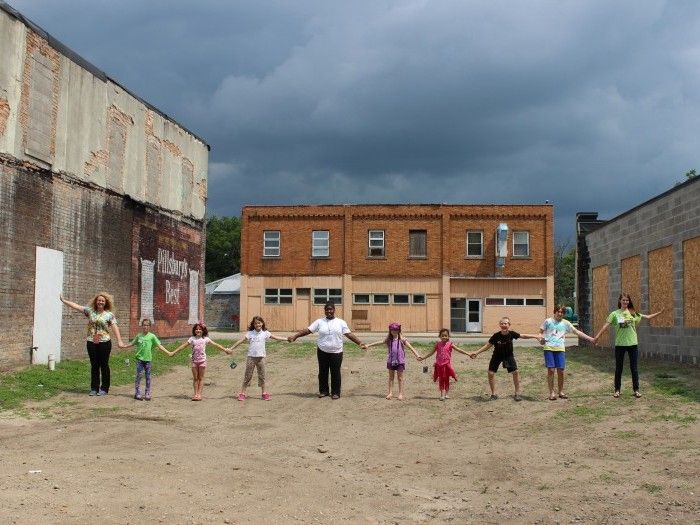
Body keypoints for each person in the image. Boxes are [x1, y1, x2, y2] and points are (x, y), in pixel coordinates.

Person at [288, 302, 366, 400]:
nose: (329, 311)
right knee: (323, 371)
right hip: (322, 351)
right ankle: (324, 391)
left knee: (335, 372)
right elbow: (308, 330)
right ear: (324, 311)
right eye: (327, 309)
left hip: (337, 352)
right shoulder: (319, 322)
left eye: (331, 309)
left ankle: (335, 392)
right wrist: (295, 336)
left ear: (334, 310)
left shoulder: (341, 322)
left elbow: (349, 334)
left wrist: (359, 342)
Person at [593, 293, 663, 398]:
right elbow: (605, 326)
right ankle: (617, 390)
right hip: (620, 345)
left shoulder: (633, 313)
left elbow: (647, 317)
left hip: (632, 344)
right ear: (620, 301)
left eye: (627, 300)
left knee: (634, 368)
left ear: (629, 302)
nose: (625, 302)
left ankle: (636, 390)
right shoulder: (614, 314)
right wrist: (597, 337)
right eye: (623, 300)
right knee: (619, 368)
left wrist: (660, 312)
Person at [60, 292, 125, 396]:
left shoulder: (109, 315)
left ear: (105, 303)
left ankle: (104, 388)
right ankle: (94, 388)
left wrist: (119, 340)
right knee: (94, 365)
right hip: (91, 341)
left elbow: (115, 327)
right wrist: (64, 301)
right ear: (96, 301)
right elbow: (76, 306)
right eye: (99, 300)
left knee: (104, 365)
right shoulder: (90, 311)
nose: (100, 302)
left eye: (102, 301)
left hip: (105, 342)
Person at [468, 316, 543, 401]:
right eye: (502, 323)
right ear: (500, 325)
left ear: (509, 325)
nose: (504, 325)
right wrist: (476, 352)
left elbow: (523, 335)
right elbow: (487, 346)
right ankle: (493, 394)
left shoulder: (511, 334)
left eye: (506, 323)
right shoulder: (496, 336)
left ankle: (517, 394)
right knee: (491, 373)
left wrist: (536, 336)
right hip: (497, 356)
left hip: (508, 356)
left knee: (515, 372)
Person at [540, 305, 596, 400]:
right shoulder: (548, 321)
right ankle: (551, 393)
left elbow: (577, 332)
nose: (560, 313)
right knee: (551, 370)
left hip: (560, 349)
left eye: (562, 312)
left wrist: (591, 339)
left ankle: (561, 392)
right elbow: (540, 331)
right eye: (558, 311)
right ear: (555, 312)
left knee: (561, 371)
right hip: (549, 348)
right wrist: (540, 338)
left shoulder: (566, 323)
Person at [229, 316, 287, 401]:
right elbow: (241, 341)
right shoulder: (250, 333)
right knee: (247, 376)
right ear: (253, 324)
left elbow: (276, 337)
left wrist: (287, 339)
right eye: (256, 323)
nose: (257, 324)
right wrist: (231, 348)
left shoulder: (265, 333)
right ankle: (242, 393)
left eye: (259, 323)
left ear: (262, 323)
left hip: (261, 358)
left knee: (262, 376)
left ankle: (264, 393)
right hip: (251, 358)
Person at [170, 322, 231, 401]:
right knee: (195, 378)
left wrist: (225, 350)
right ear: (194, 330)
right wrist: (174, 352)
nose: (198, 330)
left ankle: (199, 394)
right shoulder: (192, 339)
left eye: (200, 329)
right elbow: (183, 346)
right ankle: (195, 394)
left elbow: (215, 345)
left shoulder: (205, 339)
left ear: (203, 330)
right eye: (196, 329)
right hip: (194, 362)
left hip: (202, 361)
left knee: (201, 378)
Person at [118, 318, 173, 400]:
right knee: (138, 376)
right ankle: (137, 393)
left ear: (149, 326)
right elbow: (132, 343)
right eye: (144, 325)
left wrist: (168, 352)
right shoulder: (139, 336)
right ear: (142, 326)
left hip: (148, 360)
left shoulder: (152, 336)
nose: (145, 326)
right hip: (139, 360)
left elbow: (159, 346)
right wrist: (124, 346)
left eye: (147, 325)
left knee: (148, 377)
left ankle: (147, 393)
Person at [365, 322, 421, 400]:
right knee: (391, 378)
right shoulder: (389, 340)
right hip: (391, 361)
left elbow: (411, 348)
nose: (394, 331)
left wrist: (417, 355)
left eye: (396, 330)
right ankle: (390, 393)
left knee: (400, 378)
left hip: (400, 362)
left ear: (399, 330)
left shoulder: (402, 339)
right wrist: (369, 345)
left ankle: (401, 394)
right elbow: (379, 342)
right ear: (390, 331)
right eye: (392, 330)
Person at [418, 328, 471, 401]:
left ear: (448, 336)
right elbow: (431, 353)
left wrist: (468, 354)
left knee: (447, 379)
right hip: (439, 365)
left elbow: (459, 350)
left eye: (446, 336)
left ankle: (447, 393)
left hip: (447, 365)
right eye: (442, 336)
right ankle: (442, 395)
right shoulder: (437, 344)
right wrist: (423, 358)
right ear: (439, 336)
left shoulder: (450, 344)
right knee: (441, 379)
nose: (444, 337)